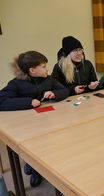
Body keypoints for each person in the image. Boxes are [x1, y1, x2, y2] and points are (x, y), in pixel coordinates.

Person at [0, 51, 69, 187]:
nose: (47, 69)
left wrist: (54, 94)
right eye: (43, 66)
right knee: (34, 147)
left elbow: (65, 90)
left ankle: (36, 165)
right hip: (26, 126)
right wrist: (28, 102)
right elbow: (1, 101)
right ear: (32, 70)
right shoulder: (17, 83)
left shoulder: (49, 79)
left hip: (47, 121)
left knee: (47, 144)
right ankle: (33, 167)